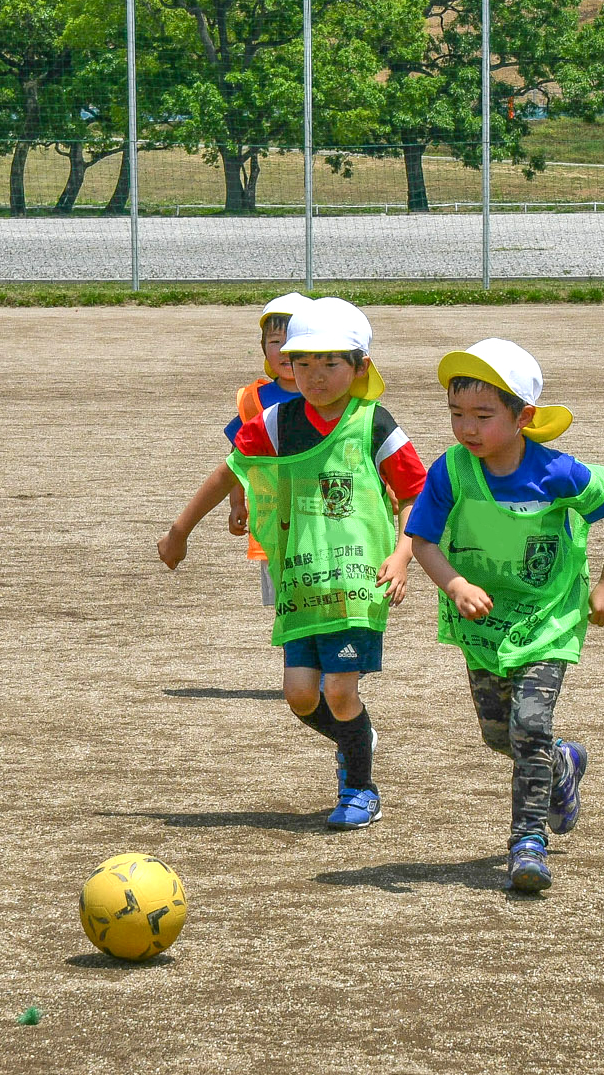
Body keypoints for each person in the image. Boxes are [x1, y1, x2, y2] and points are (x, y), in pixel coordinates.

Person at [159, 297, 425, 830]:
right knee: (302, 697)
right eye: (302, 363)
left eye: (330, 363)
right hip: (301, 584)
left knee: (340, 690)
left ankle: (359, 786)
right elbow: (228, 472)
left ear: (360, 367)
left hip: (358, 584)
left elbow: (416, 492)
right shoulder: (277, 422)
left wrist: (402, 554)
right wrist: (180, 529)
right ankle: (356, 737)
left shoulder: (374, 422)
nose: (315, 375)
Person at [406, 338, 604, 892]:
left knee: (529, 725)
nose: (467, 428)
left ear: (523, 417)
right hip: (482, 622)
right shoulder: (451, 471)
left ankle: (528, 841)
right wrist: (455, 584)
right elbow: (422, 541)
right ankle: (562, 762)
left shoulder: (557, 472)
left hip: (548, 617)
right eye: (457, 414)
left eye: (483, 416)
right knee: (499, 734)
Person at [158, 292, 310, 603]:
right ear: (263, 349)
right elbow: (236, 462)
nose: (284, 351)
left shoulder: (327, 396)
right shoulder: (255, 401)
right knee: (288, 613)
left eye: (292, 341)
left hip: (321, 524)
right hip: (274, 527)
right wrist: (236, 503)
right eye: (274, 342)